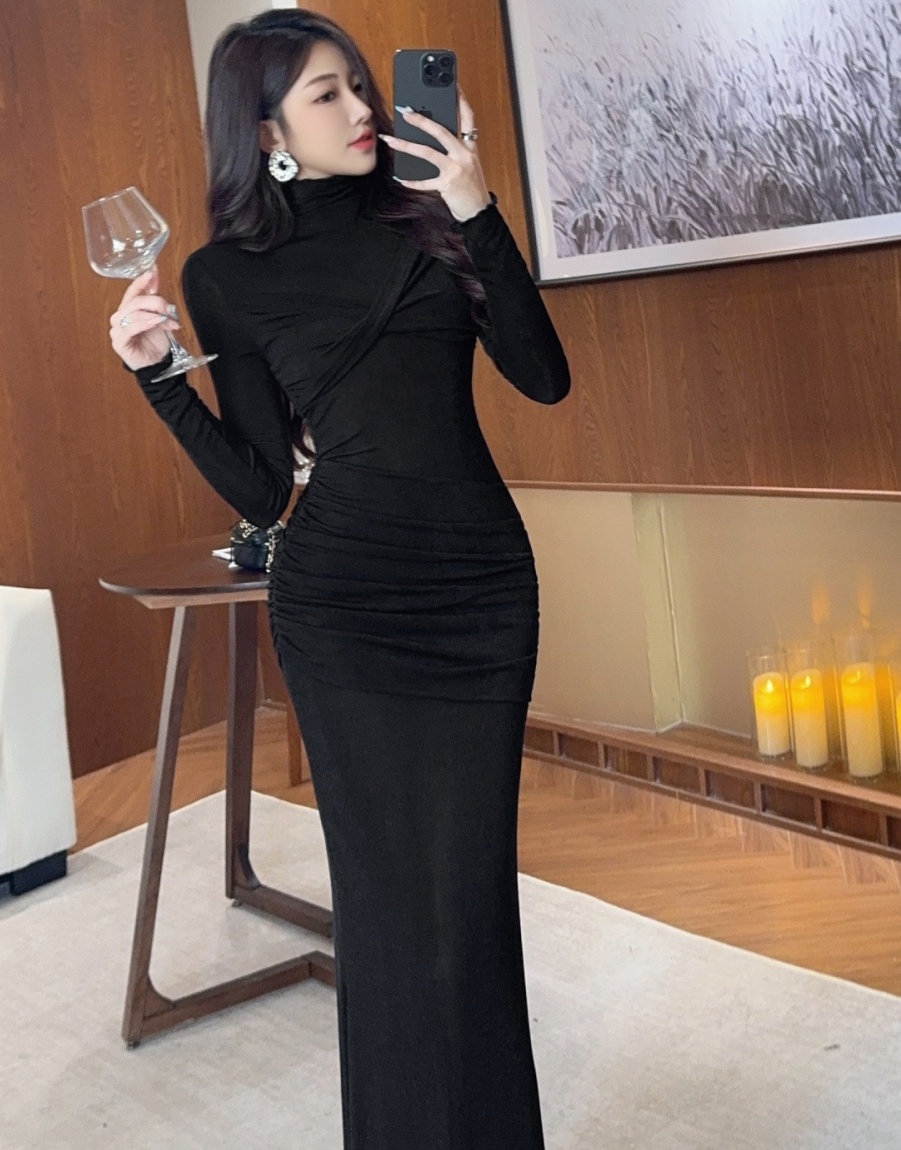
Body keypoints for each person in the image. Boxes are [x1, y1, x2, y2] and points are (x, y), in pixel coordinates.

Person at [108, 10, 570, 1149]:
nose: (363, 108)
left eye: (362, 85)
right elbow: (265, 484)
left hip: (477, 593)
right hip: (343, 607)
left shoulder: (428, 214)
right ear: (267, 129)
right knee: (386, 912)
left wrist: (476, 206)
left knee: (468, 903)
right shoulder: (222, 277)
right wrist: (161, 381)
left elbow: (543, 375)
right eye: (329, 94)